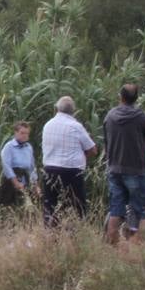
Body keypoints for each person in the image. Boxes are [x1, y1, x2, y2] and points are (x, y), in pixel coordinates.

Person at [103, 84, 145, 244]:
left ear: (120, 97)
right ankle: (140, 249)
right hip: (136, 169)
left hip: (114, 169)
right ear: (136, 99)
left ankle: (112, 248)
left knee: (116, 209)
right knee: (144, 209)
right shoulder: (139, 116)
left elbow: (106, 143)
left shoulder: (109, 116)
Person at [41, 95, 97, 226]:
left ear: (57, 109)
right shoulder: (75, 126)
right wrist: (83, 156)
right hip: (71, 172)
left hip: (49, 170)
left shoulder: (48, 125)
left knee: (50, 205)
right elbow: (93, 149)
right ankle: (76, 234)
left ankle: (50, 235)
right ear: (73, 110)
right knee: (77, 206)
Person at [0, 122, 38, 206]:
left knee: (27, 206)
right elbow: (6, 166)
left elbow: (32, 167)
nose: (25, 136)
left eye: (27, 133)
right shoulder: (9, 147)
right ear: (16, 133)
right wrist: (15, 182)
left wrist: (35, 184)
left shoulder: (28, 147)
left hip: (25, 179)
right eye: (22, 133)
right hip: (11, 180)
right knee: (10, 205)